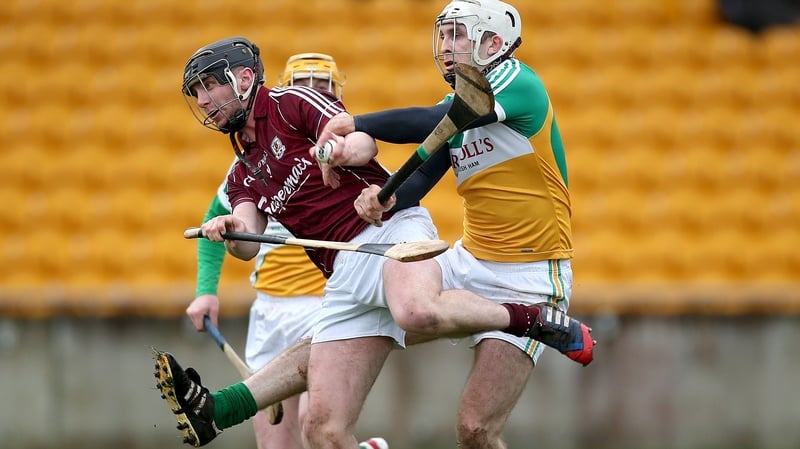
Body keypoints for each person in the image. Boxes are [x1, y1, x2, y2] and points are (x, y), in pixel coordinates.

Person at [153, 26, 593, 449]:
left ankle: (533, 319)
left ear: (244, 78)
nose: (203, 100)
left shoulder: (292, 103)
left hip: (389, 237)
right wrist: (230, 231)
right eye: (196, 93)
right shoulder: (240, 173)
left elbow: (364, 143)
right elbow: (248, 244)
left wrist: (339, 151)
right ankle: (218, 409)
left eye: (210, 85)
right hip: (344, 267)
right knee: (321, 430)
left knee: (418, 315)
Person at [187, 53, 384, 449]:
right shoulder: (248, 163)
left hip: (325, 300)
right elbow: (218, 218)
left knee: (320, 426)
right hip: (270, 308)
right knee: (274, 444)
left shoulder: (344, 150)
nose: (313, 93)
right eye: (303, 83)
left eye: (323, 85)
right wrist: (206, 289)